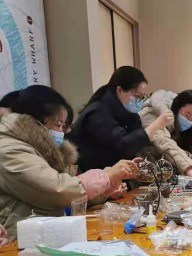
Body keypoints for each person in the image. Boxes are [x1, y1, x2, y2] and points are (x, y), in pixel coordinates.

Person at [0, 85, 137, 238]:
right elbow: (56, 190)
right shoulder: (9, 150)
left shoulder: (43, 150)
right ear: (33, 122)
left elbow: (71, 195)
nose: (61, 132)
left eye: (64, 126)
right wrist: (106, 176)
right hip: (16, 240)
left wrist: (105, 189)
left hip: (42, 235)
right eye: (58, 125)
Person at [71, 66, 171, 172]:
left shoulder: (126, 113)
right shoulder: (98, 112)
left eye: (142, 97)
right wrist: (156, 125)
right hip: (93, 174)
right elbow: (123, 144)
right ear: (119, 90)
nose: (139, 101)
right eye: (137, 95)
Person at [139, 89, 192, 182]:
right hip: (139, 175)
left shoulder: (175, 125)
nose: (189, 121)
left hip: (156, 177)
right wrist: (189, 168)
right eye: (187, 115)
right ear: (177, 107)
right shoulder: (151, 113)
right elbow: (164, 142)